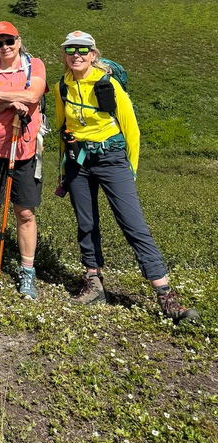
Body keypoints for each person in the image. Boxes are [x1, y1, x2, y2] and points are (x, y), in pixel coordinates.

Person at [55, 30, 199, 323]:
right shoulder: (62, 87)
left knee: (133, 225)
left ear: (93, 54)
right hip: (78, 161)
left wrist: (130, 169)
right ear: (64, 55)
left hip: (111, 159)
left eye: (82, 50)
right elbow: (62, 128)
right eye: (70, 50)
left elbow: (131, 128)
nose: (76, 55)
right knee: (86, 223)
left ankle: (165, 294)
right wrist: (63, 169)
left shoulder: (108, 84)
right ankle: (94, 284)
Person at [0, 21, 47, 298]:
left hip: (24, 149)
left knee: (25, 212)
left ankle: (27, 271)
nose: (5, 47)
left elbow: (33, 95)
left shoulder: (34, 66)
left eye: (9, 41)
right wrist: (9, 102)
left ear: (19, 40)